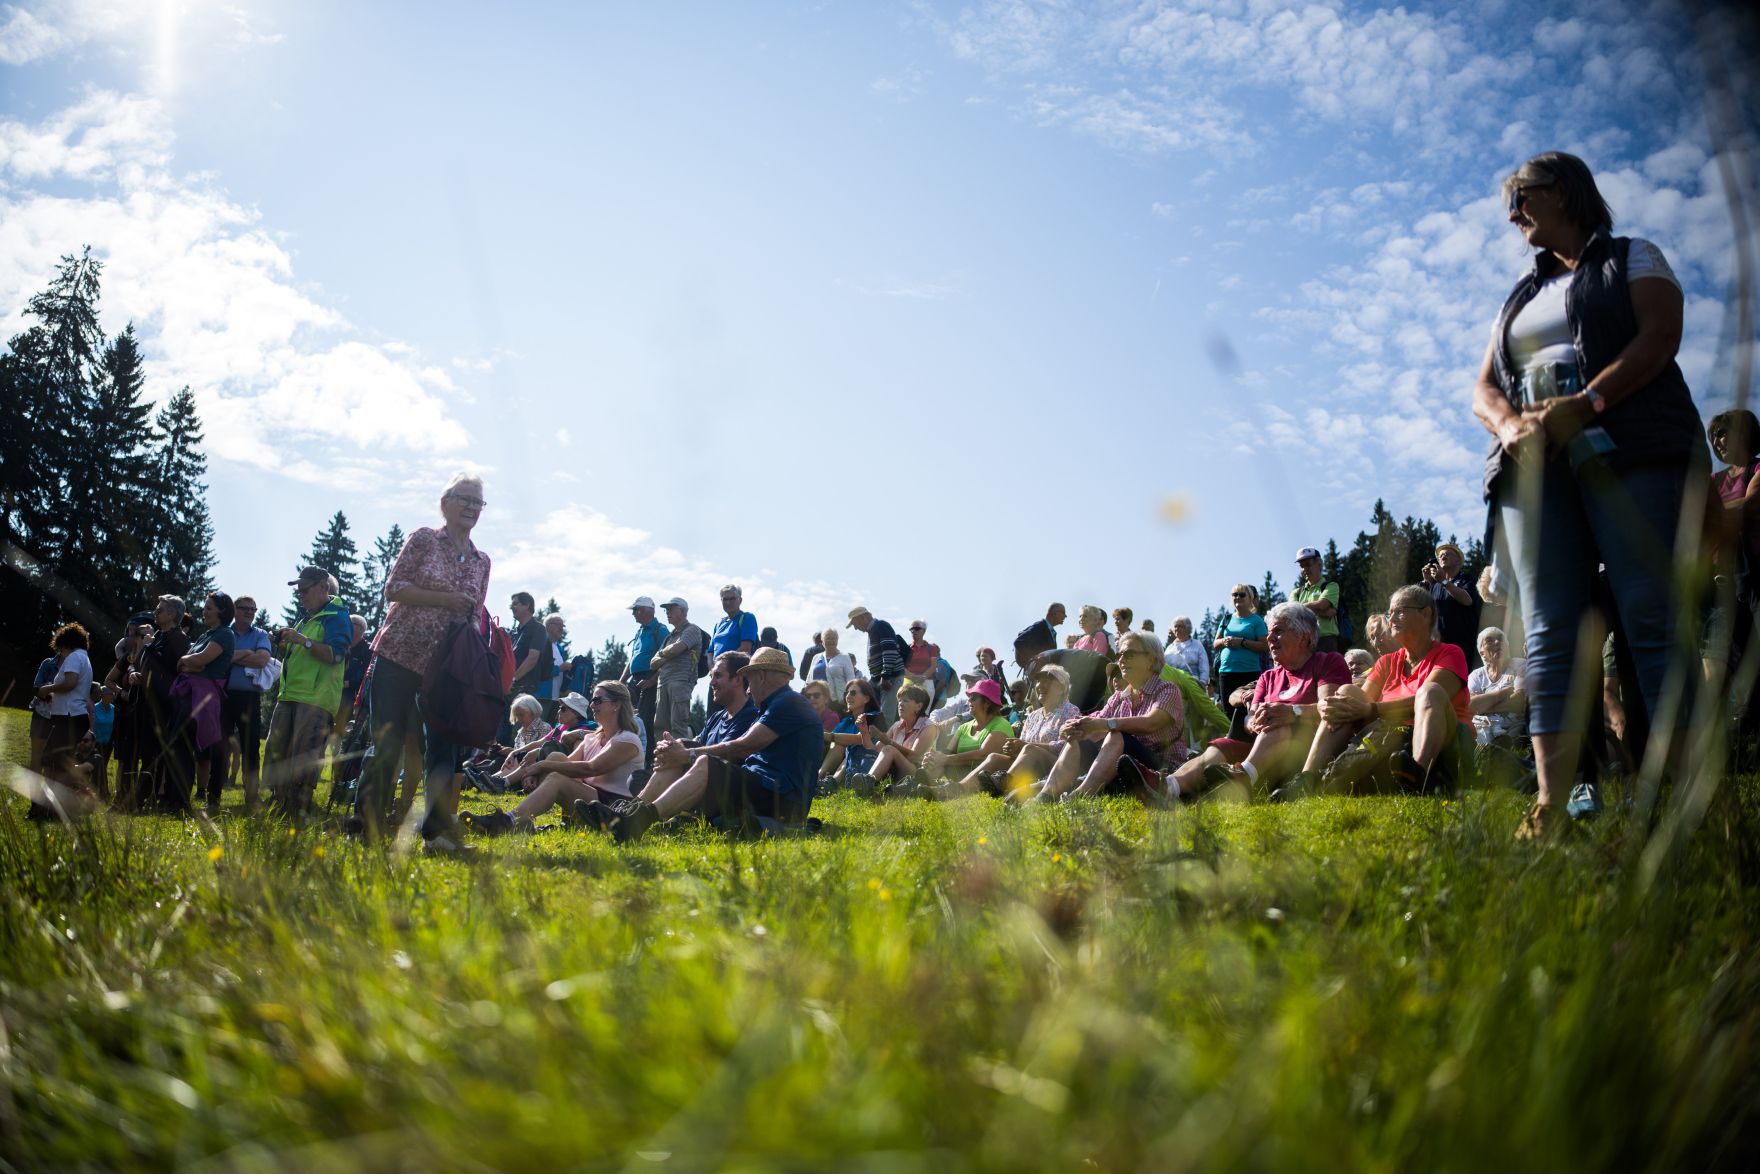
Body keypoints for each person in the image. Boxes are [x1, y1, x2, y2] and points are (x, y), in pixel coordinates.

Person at [1472, 151, 1703, 839]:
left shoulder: (1632, 258)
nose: (1513, 213)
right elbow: (1483, 386)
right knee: (1546, 627)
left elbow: (1661, 335)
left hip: (1634, 448)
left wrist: (1591, 400)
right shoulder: (1519, 297)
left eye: (1524, 195)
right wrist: (1511, 424)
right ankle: (1557, 798)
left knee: (1650, 612)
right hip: (1535, 468)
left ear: (1566, 191)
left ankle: (1684, 793)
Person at [350, 473, 493, 846]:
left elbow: (476, 614)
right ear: (445, 503)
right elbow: (393, 588)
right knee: (387, 742)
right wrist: (445, 599)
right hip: (399, 653)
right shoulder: (425, 539)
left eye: (478, 502)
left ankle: (438, 833)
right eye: (464, 498)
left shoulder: (482, 561)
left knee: (445, 748)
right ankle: (366, 825)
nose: (471, 507)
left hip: (445, 668)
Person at [601, 647, 820, 841]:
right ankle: (630, 811)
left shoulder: (788, 703)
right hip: (767, 790)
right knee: (686, 755)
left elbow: (744, 746)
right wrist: (683, 752)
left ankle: (640, 820)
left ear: (761, 676)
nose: (749, 689)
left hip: (783, 799)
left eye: (750, 680)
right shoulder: (776, 704)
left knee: (701, 761)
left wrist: (688, 755)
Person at [1296, 585, 1471, 798]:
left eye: (1399, 611)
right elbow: (1360, 703)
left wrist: (1370, 709)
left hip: (1445, 743)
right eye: (1390, 613)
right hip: (1392, 736)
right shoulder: (1388, 662)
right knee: (1346, 692)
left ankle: (1417, 774)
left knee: (1430, 691)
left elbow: (1424, 701)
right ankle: (1307, 779)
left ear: (1426, 613)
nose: (1391, 618)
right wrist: (1334, 704)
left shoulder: (1450, 653)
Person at [1172, 603, 1350, 800]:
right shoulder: (1268, 677)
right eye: (1269, 632)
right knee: (1220, 747)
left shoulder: (1328, 662)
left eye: (1279, 631)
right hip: (1264, 749)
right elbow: (1250, 718)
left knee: (1278, 725)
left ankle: (1241, 779)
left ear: (1304, 637)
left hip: (1306, 750)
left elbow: (1330, 709)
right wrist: (1254, 721)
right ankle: (1168, 786)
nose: (1270, 638)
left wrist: (1292, 713)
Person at [468, 682, 643, 833]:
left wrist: (542, 765)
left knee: (555, 776)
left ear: (616, 705)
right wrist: (537, 768)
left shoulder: (627, 739)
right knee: (556, 756)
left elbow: (591, 768)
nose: (592, 705)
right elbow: (565, 764)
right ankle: (527, 819)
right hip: (591, 800)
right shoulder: (591, 738)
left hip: (613, 809)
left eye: (597, 700)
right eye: (592, 700)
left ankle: (507, 821)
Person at [1036, 631, 1184, 803]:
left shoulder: (1167, 690)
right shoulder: (1119, 697)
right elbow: (1096, 720)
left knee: (1116, 734)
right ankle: (1045, 795)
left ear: (1150, 659)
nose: (1121, 660)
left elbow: (1151, 722)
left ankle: (1080, 797)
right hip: (1125, 764)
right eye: (1119, 654)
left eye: (1128, 654)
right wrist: (1071, 727)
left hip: (1161, 769)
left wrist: (1105, 724)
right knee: (1077, 740)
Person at [616, 652, 762, 817]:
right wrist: (669, 751)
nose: (712, 683)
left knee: (684, 748)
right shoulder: (716, 717)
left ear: (738, 679)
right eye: (712, 676)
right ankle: (634, 811)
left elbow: (726, 758)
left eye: (718, 676)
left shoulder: (750, 716)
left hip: (723, 789)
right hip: (694, 780)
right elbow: (696, 742)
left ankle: (635, 814)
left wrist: (681, 751)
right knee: (637, 779)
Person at [264, 569, 350, 817]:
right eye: (297, 590)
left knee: (303, 756)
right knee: (276, 752)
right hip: (290, 695)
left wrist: (303, 641)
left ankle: (296, 810)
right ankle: (278, 802)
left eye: (305, 589)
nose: (299, 595)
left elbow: (337, 655)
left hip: (315, 700)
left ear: (323, 586)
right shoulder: (308, 618)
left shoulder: (336, 616)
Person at [939, 664, 1079, 798]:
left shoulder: (1070, 710)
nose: (1040, 685)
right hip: (1028, 765)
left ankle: (1000, 784)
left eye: (1047, 681)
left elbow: (1067, 748)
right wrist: (1013, 748)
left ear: (1061, 688)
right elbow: (1022, 745)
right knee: (994, 757)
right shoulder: (1033, 716)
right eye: (1038, 681)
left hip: (1055, 766)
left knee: (1030, 749)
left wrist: (1025, 746)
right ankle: (958, 788)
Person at [174, 594, 237, 815]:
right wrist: (189, 662)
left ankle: (182, 801)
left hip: (204, 698)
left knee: (187, 747)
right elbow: (188, 662)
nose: (204, 610)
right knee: (180, 746)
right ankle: (178, 797)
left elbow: (198, 661)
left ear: (221, 611)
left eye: (209, 607)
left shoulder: (225, 634)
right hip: (189, 695)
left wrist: (189, 661)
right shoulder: (207, 634)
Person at [127, 599, 190, 811]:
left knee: (157, 754)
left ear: (172, 615)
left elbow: (176, 669)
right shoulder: (159, 637)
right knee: (147, 752)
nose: (155, 612)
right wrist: (137, 673)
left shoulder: (180, 639)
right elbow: (145, 662)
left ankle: (146, 800)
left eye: (160, 609)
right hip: (146, 701)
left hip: (165, 705)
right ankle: (143, 799)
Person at [904, 678, 1013, 794]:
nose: (968, 701)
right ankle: (916, 785)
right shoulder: (964, 727)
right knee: (938, 760)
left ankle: (926, 787)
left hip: (986, 778)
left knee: (944, 760)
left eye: (973, 698)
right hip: (962, 773)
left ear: (987, 703)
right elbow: (947, 752)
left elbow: (983, 755)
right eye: (969, 697)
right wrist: (933, 758)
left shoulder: (1002, 724)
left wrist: (945, 759)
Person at [220, 597, 274, 809]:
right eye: (245, 609)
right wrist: (245, 655)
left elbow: (262, 660)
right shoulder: (224, 632)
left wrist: (228, 657)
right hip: (223, 695)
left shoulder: (260, 634)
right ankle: (212, 793)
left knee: (251, 748)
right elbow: (213, 658)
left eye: (254, 609)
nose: (250, 612)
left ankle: (251, 796)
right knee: (219, 745)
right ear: (234, 610)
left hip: (249, 699)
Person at [35, 622, 94, 768]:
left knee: (58, 765)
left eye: (60, 649)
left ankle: (83, 771)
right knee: (49, 761)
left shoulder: (74, 657)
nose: (60, 653)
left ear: (67, 644)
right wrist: (54, 695)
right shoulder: (84, 658)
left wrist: (47, 689)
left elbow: (69, 683)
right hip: (71, 716)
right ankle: (77, 776)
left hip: (68, 717)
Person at [1214, 585, 1268, 735]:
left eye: (1242, 595)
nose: (1237, 597)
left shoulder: (1256, 621)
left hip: (1249, 673)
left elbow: (1265, 646)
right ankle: (1232, 745)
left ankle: (1248, 744)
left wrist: (1242, 642)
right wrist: (1224, 641)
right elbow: (1215, 643)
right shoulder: (1226, 619)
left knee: (1249, 708)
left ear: (1250, 598)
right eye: (1234, 594)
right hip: (1226, 672)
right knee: (1228, 711)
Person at [620, 595, 668, 762]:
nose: (634, 614)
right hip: (637, 680)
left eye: (636, 610)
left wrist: (652, 681)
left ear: (647, 611)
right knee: (630, 718)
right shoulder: (640, 631)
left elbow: (667, 659)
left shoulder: (660, 630)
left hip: (650, 680)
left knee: (645, 720)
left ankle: (646, 761)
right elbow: (633, 659)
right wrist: (621, 682)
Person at [650, 597, 705, 741]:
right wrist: (667, 654)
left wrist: (663, 654)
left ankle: (679, 761)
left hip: (681, 681)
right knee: (660, 726)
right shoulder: (669, 637)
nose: (667, 612)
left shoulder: (692, 629)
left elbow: (677, 649)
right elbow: (653, 663)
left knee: (678, 725)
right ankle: (663, 760)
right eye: (666, 610)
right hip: (663, 683)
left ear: (682, 611)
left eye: (671, 609)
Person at [860, 683, 934, 786]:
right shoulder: (897, 725)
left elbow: (914, 756)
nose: (900, 704)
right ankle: (864, 781)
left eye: (905, 700)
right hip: (896, 771)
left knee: (889, 749)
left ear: (919, 706)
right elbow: (875, 750)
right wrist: (864, 732)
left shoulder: (929, 727)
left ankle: (867, 784)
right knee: (882, 750)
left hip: (917, 774)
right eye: (899, 700)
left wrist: (883, 738)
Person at [1469, 627, 1528, 747]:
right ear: (1482, 653)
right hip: (1482, 727)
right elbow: (1470, 705)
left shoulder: (1520, 665)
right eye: (1490, 641)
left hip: (1512, 728)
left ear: (1507, 647)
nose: (1497, 642)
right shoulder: (1476, 675)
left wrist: (1484, 706)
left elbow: (1518, 702)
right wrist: (1503, 693)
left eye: (1501, 640)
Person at [1424, 543, 1481, 666]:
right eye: (1440, 556)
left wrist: (1444, 582)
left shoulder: (1468, 579)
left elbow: (1467, 600)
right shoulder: (1435, 585)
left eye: (1447, 553)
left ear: (1458, 560)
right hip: (1439, 648)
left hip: (1463, 647)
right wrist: (1427, 582)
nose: (1443, 556)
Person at [848, 606, 905, 724]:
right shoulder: (873, 630)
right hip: (878, 679)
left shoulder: (881, 626)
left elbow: (889, 651)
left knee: (886, 717)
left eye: (855, 623)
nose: (855, 628)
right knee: (867, 705)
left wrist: (885, 676)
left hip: (890, 678)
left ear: (863, 618)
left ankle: (883, 741)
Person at [820, 679, 881, 789]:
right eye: (846, 693)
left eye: (853, 693)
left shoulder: (874, 716)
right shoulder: (846, 720)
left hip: (864, 762)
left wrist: (829, 736)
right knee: (834, 744)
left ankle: (824, 780)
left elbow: (860, 739)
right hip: (842, 762)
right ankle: (818, 778)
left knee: (840, 744)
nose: (848, 696)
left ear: (866, 698)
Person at [506, 592, 551, 713]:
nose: (511, 607)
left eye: (515, 604)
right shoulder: (513, 633)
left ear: (527, 605)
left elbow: (532, 659)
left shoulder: (538, 629)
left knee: (518, 730)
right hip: (508, 690)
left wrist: (512, 680)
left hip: (525, 691)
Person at [1291, 547, 1343, 653]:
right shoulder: (1296, 592)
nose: (1304, 569)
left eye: (1308, 564)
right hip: (1304, 642)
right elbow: (1292, 612)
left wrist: (1301, 608)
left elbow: (1321, 605)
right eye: (1302, 566)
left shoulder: (1331, 586)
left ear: (1319, 564)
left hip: (1326, 640)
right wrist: (1324, 611)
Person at [1013, 602, 1066, 671]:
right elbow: (1018, 642)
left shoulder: (1049, 630)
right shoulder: (1040, 626)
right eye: (1063, 613)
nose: (1065, 616)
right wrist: (1034, 659)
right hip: (1038, 672)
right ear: (1054, 613)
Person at [708, 584, 758, 658]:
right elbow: (710, 652)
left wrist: (722, 663)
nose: (728, 602)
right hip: (717, 668)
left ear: (740, 600)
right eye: (725, 599)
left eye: (732, 599)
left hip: (736, 667)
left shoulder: (747, 618)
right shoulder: (718, 624)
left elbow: (745, 649)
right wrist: (713, 667)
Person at [810, 627, 861, 700]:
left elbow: (851, 682)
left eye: (834, 638)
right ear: (822, 641)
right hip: (816, 701)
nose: (831, 641)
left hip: (838, 702)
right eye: (828, 638)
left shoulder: (844, 657)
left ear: (837, 641)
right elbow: (809, 682)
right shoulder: (816, 658)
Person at [537, 613, 569, 720]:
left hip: (556, 699)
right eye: (558, 624)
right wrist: (559, 669)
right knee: (535, 730)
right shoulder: (540, 643)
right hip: (541, 696)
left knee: (549, 733)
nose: (561, 628)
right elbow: (537, 669)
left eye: (562, 625)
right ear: (548, 625)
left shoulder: (559, 648)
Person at [1164, 616, 1210, 687]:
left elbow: (1204, 665)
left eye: (1180, 626)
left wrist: (1203, 682)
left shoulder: (1197, 644)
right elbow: (1164, 668)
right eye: (1175, 626)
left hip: (1193, 684)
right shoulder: (1169, 648)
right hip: (1173, 686)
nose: (1177, 629)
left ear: (1188, 628)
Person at [903, 620, 938, 701]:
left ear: (924, 631)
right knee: (907, 711)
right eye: (911, 629)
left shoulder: (932, 648)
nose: (913, 631)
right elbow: (901, 667)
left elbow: (933, 666)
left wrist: (923, 677)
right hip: (908, 683)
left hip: (927, 683)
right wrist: (913, 677)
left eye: (916, 628)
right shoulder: (906, 648)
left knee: (924, 712)